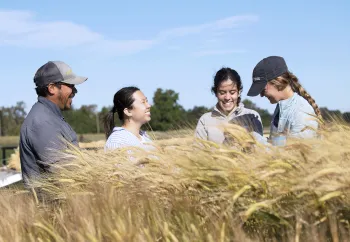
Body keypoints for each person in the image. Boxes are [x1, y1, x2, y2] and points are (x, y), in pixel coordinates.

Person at [19, 61, 88, 187]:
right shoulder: (43, 122)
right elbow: (66, 173)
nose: (75, 91)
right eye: (70, 85)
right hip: (51, 206)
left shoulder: (50, 117)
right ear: (52, 88)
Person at [247, 56, 321, 145]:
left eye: (262, 89)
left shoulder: (301, 112)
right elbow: (277, 145)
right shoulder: (281, 108)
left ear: (278, 81)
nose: (261, 95)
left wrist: (257, 142)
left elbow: (293, 153)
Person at [195, 67, 264, 145]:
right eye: (222, 92)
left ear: (239, 92)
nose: (227, 98)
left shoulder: (252, 116)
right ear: (215, 93)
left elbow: (259, 149)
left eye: (232, 92)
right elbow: (198, 152)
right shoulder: (205, 120)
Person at [104, 86, 154, 151]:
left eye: (147, 101)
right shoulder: (118, 141)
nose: (149, 105)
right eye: (143, 102)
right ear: (128, 111)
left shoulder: (145, 137)